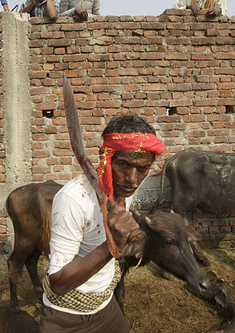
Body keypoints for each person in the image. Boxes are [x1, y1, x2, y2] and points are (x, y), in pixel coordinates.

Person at [39, 114, 167, 333]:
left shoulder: (126, 189)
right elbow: (57, 283)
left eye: (143, 168)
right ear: (106, 159)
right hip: (68, 317)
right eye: (124, 165)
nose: (133, 179)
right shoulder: (73, 199)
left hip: (106, 304)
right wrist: (112, 245)